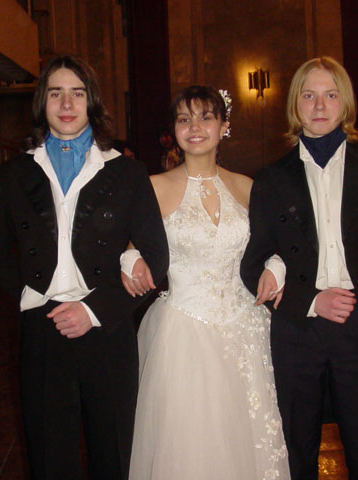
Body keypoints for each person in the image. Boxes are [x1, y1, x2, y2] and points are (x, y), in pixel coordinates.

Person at [0, 55, 169, 480]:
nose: (67, 104)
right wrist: (33, 295)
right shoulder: (12, 175)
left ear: (92, 102)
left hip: (108, 328)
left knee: (114, 455)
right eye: (56, 93)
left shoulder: (127, 172)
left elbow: (156, 257)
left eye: (77, 93)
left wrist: (93, 310)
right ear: (41, 103)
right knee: (50, 458)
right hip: (43, 330)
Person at [241, 56, 358, 479]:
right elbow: (254, 263)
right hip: (296, 328)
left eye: (330, 95)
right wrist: (311, 301)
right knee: (298, 450)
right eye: (309, 95)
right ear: (295, 105)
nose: (320, 105)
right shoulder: (271, 179)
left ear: (345, 103)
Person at [122, 86, 290, 480]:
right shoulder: (154, 187)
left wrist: (276, 267)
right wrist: (130, 261)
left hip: (246, 328)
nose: (195, 127)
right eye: (184, 119)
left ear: (223, 125)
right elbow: (130, 246)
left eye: (206, 117)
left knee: (247, 437)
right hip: (184, 329)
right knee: (192, 442)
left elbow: (272, 247)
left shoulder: (247, 187)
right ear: (174, 130)